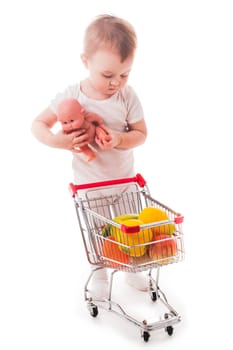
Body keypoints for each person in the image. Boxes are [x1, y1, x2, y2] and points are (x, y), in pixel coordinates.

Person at [31, 14, 148, 297]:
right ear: (86, 62)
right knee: (95, 233)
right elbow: (38, 125)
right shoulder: (73, 96)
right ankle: (99, 274)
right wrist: (59, 141)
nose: (116, 82)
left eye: (125, 73)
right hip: (89, 186)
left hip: (123, 184)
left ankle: (132, 268)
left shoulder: (127, 96)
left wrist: (119, 138)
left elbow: (141, 134)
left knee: (129, 230)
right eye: (108, 75)